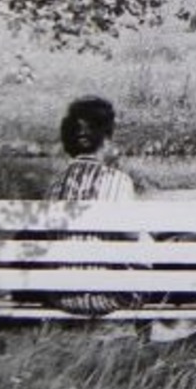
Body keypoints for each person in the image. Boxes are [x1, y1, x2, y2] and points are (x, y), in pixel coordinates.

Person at [52, 96, 139, 316]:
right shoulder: (118, 180)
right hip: (109, 298)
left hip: (62, 296)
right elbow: (132, 235)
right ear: (107, 139)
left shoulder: (56, 185)